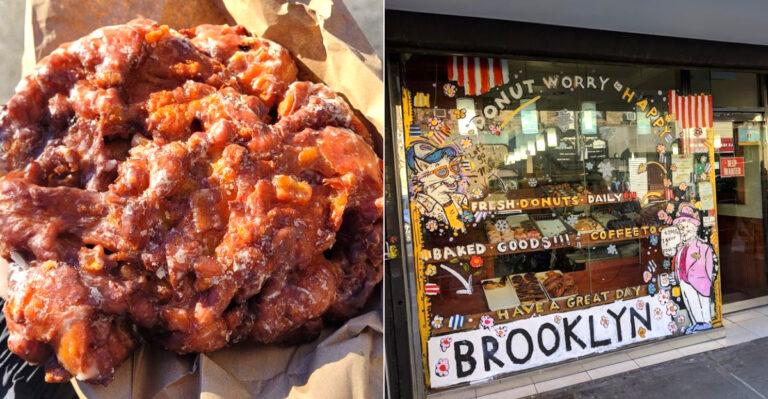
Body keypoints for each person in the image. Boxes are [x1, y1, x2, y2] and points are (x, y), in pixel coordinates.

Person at [672, 204, 716, 334]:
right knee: (690, 302)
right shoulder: (680, 248)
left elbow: (709, 266)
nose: (684, 231)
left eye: (686, 228)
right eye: (681, 229)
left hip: (699, 281)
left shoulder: (702, 247)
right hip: (684, 280)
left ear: (693, 229)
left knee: (700, 302)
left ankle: (705, 322)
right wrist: (676, 277)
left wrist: (707, 281)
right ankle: (696, 322)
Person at [406, 142, 469, 231]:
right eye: (442, 171)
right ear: (422, 173)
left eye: (453, 167)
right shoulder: (417, 208)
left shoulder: (460, 199)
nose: (454, 174)